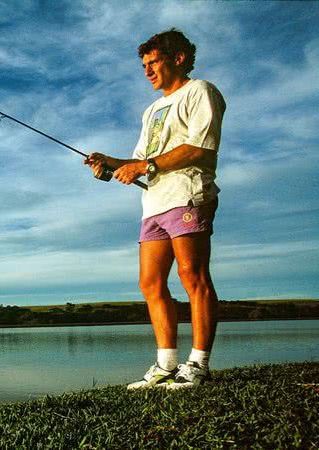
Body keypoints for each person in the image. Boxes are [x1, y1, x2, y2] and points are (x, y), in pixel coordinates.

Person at [84, 29, 226, 390]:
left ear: (178, 58)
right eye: (144, 65)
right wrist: (111, 164)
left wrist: (144, 167)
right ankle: (166, 365)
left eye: (154, 62)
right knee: (150, 283)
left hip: (188, 195)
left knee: (193, 276)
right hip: (155, 203)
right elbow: (140, 160)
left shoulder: (201, 91)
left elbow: (202, 149)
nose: (147, 71)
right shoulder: (151, 110)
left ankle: (198, 365)